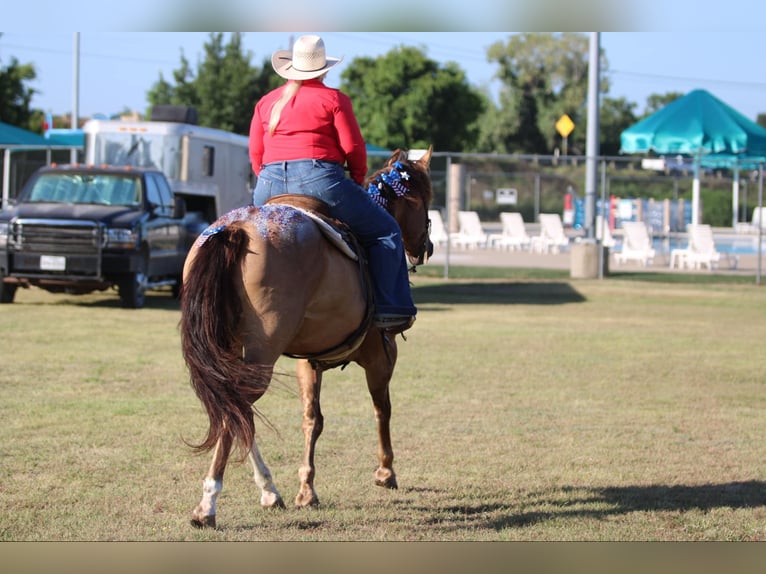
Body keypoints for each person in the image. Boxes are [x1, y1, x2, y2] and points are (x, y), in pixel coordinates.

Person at [249, 35, 416, 333]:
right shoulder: (334, 100)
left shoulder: (266, 103)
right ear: (323, 69)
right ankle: (391, 309)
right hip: (321, 180)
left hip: (269, 184)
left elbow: (256, 154)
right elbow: (353, 147)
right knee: (386, 231)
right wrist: (358, 178)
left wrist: (271, 179)